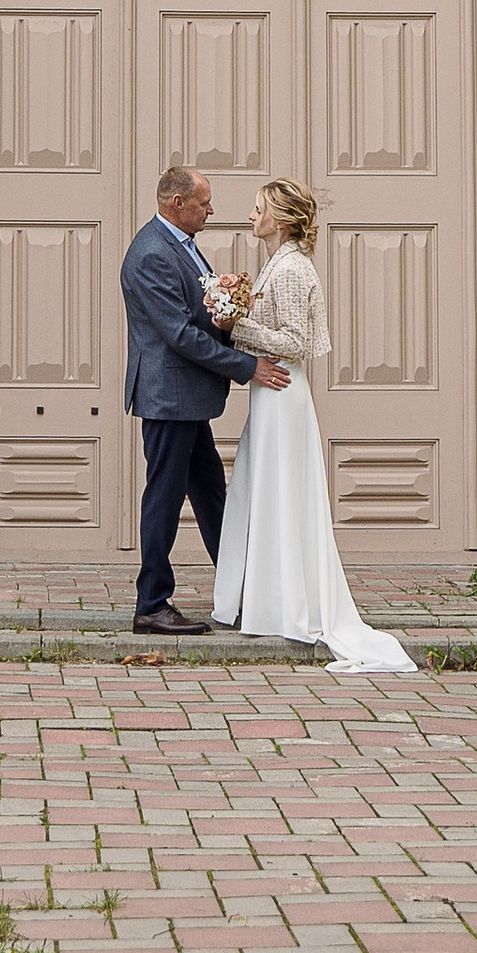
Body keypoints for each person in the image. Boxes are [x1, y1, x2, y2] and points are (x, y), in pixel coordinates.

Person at [210, 179, 417, 674]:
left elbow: (297, 341)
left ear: (278, 219)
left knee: (280, 494)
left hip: (282, 390)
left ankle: (282, 603)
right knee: (264, 492)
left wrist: (232, 324)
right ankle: (269, 596)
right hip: (274, 391)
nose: (250, 217)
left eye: (257, 209)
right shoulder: (278, 264)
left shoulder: (290, 269)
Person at [119, 159, 288, 636]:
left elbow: (199, 315)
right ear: (177, 204)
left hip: (188, 398)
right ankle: (151, 603)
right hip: (169, 396)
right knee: (165, 499)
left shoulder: (184, 246)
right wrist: (248, 366)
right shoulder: (151, 252)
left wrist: (227, 310)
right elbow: (178, 334)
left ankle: (239, 589)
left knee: (213, 496)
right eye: (203, 203)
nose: (211, 210)